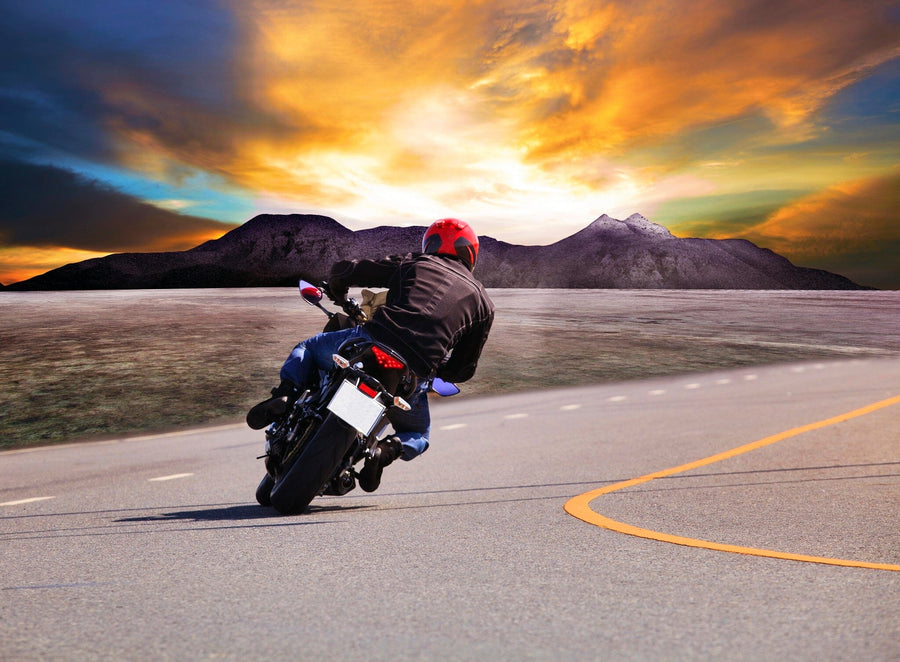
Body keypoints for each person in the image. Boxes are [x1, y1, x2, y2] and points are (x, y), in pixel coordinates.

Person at [247, 218, 495, 492]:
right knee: (418, 434)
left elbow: (348, 269)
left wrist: (338, 289)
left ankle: (286, 394)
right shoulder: (484, 303)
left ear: (431, 244)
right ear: (470, 253)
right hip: (412, 373)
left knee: (307, 347)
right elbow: (463, 369)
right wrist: (435, 366)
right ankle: (384, 452)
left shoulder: (415, 263)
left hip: (373, 342)